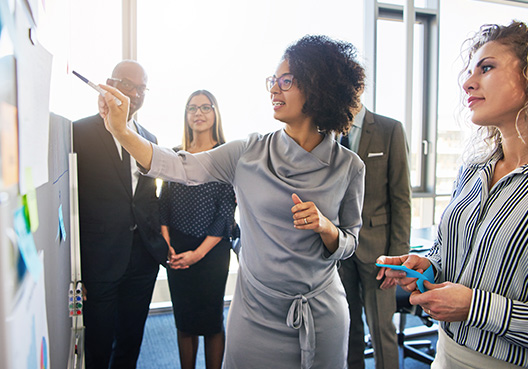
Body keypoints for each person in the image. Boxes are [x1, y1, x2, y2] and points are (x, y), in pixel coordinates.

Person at [98, 35, 366, 369]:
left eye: (286, 81)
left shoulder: (349, 166)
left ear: (318, 88)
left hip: (321, 314)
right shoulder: (247, 153)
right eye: (273, 80)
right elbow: (178, 166)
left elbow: (350, 243)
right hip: (256, 313)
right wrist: (122, 132)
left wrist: (326, 228)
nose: (274, 90)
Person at [377, 20, 528, 368]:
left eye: (487, 68)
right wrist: (428, 266)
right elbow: (450, 253)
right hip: (446, 353)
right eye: (470, 71)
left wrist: (475, 306)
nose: (468, 82)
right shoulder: (474, 168)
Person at [73, 60, 168, 369]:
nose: (135, 93)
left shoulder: (149, 139)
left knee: (131, 339)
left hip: (142, 256)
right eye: (127, 84)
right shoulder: (80, 132)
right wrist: (77, 269)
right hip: (100, 260)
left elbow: (147, 197)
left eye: (141, 88)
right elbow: (72, 202)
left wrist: (158, 240)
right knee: (98, 343)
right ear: (109, 83)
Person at [160, 90, 237, 369]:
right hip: (176, 249)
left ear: (215, 113)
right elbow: (164, 203)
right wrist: (167, 245)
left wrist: (198, 254)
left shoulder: (226, 155)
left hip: (212, 250)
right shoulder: (175, 154)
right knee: (184, 321)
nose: (198, 113)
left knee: (212, 322)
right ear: (186, 115)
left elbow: (226, 213)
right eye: (192, 108)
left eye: (206, 107)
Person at [338, 93, 411, 369]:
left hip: (379, 251)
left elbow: (401, 198)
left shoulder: (389, 129)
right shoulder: (326, 131)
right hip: (339, 248)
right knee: (347, 327)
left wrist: (398, 257)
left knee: (381, 329)